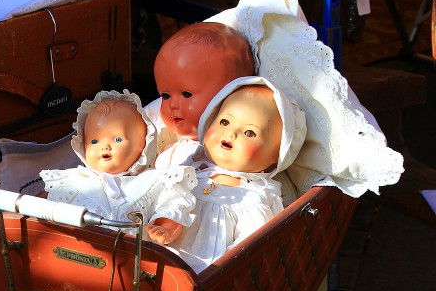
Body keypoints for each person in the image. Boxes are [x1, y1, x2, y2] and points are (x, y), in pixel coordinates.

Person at [168, 76, 307, 274]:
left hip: (204, 279)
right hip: (157, 262)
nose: (231, 133)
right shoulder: (188, 167)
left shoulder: (253, 199)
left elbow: (248, 252)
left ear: (276, 156)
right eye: (224, 121)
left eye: (250, 133)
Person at [40, 89, 197, 245]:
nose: (105, 146)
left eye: (117, 139)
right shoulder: (72, 181)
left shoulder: (153, 181)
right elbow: (45, 208)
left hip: (134, 262)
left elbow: (171, 206)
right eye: (94, 141)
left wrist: (165, 228)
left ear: (142, 144)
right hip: (79, 257)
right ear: (83, 144)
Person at [150, 21, 255, 167]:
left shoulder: (235, 152)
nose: (173, 104)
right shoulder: (165, 147)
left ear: (232, 94)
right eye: (165, 96)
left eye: (186, 94)